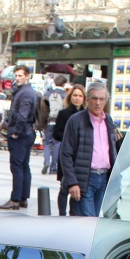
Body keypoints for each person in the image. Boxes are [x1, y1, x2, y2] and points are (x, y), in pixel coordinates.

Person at [57, 81, 120, 217]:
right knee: (87, 221)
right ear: (88, 99)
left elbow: (112, 151)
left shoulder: (108, 121)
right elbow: (65, 154)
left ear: (106, 100)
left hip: (104, 178)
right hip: (85, 179)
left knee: (95, 221)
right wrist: (72, 182)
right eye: (94, 98)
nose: (98, 103)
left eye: (101, 99)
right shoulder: (76, 120)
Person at [0, 65, 39, 210]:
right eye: (16, 75)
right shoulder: (27, 91)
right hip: (28, 132)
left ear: (27, 76)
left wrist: (15, 132)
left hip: (21, 133)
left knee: (17, 166)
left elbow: (22, 115)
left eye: (21, 75)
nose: (18, 78)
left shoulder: (25, 93)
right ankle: (22, 198)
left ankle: (15, 199)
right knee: (24, 165)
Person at [51, 84, 85, 215]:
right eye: (75, 95)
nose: (77, 98)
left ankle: (74, 213)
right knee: (64, 186)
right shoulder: (64, 114)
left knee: (78, 187)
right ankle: (62, 213)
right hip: (67, 154)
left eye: (80, 96)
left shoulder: (87, 114)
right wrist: (69, 137)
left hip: (81, 156)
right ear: (70, 97)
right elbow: (56, 133)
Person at [41, 75, 67, 175]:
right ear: (64, 84)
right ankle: (53, 167)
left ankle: (46, 161)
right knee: (57, 144)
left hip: (49, 121)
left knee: (47, 143)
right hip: (59, 122)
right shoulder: (64, 95)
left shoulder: (48, 93)